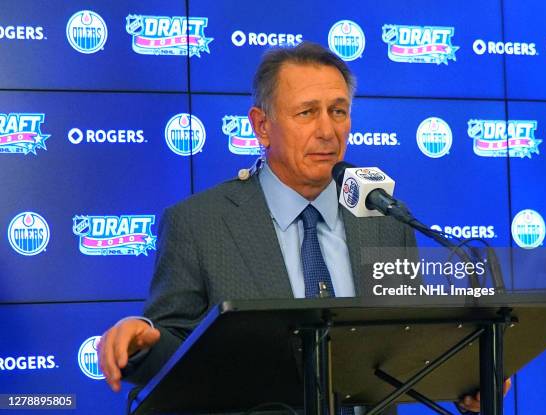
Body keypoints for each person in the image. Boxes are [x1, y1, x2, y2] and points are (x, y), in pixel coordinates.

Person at [97, 41, 508, 413]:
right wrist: (142, 337)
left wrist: (466, 377)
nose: (327, 131)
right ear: (261, 125)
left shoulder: (385, 218)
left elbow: (409, 345)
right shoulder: (199, 223)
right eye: (307, 112)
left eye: (338, 111)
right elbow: (175, 349)